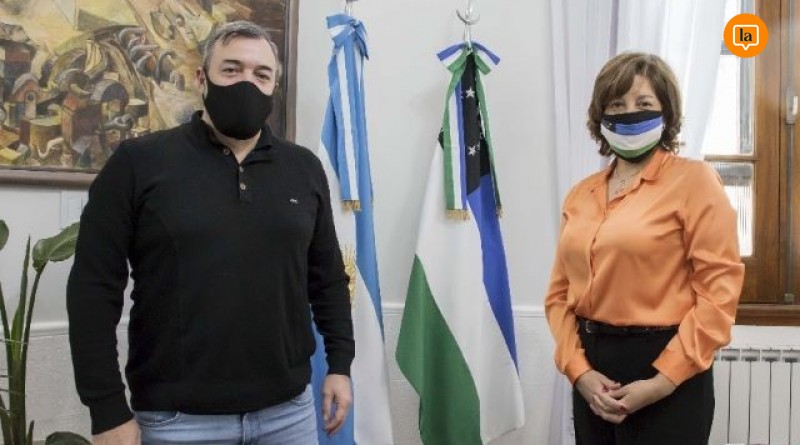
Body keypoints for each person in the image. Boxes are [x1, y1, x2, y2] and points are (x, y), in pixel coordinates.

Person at [67, 21, 354, 445]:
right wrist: (107, 409)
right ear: (202, 78)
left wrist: (340, 365)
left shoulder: (304, 169)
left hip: (288, 414)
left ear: (274, 86)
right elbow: (93, 288)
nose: (247, 84)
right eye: (231, 69)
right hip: (176, 421)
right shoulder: (138, 163)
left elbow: (326, 276)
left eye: (261, 74)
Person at [544, 52, 744, 445]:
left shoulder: (695, 182)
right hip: (592, 373)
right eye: (616, 105)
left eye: (644, 103)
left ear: (666, 112)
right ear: (600, 116)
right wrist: (579, 372)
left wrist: (661, 382)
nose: (629, 113)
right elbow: (558, 296)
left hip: (668, 369)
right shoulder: (580, 194)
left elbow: (718, 294)